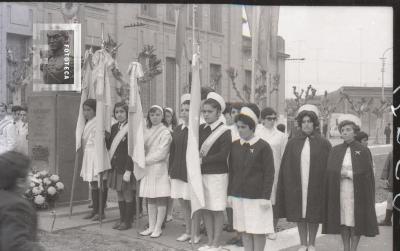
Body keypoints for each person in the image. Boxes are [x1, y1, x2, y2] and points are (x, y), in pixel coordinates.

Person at [275, 104, 332, 251]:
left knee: (313, 213)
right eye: (304, 121)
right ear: (300, 124)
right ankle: (303, 243)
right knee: (300, 213)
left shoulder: (324, 143)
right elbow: (286, 167)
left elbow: (329, 166)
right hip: (297, 184)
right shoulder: (292, 143)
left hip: (316, 184)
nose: (307, 124)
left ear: (315, 123)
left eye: (310, 121)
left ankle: (312, 243)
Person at [323, 119, 379, 251]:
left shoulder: (363, 150)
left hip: (357, 191)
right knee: (343, 220)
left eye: (348, 130)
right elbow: (330, 171)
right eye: (342, 130)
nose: (345, 132)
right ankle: (346, 248)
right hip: (341, 190)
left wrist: (348, 173)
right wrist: (337, 174)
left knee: (355, 221)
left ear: (354, 133)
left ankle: (353, 248)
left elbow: (367, 172)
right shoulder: (335, 150)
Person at [228, 106, 275, 251]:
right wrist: (230, 193)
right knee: (245, 230)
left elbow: (269, 173)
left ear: (252, 127)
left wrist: (265, 197)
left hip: (257, 197)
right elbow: (232, 171)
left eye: (243, 127)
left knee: (258, 230)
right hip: (239, 196)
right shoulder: (235, 145)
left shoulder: (263, 146)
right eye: (238, 127)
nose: (240, 130)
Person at [198, 92, 231, 251]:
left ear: (218, 113)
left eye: (209, 111)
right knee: (205, 208)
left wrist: (203, 160)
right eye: (204, 111)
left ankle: (216, 242)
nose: (206, 114)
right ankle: (210, 240)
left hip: (217, 174)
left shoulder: (225, 131)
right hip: (202, 174)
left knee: (216, 209)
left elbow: (223, 155)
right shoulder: (201, 129)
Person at [169, 94, 201, 243]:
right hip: (177, 170)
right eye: (182, 110)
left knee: (192, 203)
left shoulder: (197, 129)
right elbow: (173, 151)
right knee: (182, 202)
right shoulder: (178, 129)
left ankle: (195, 233)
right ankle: (188, 231)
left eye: (187, 110)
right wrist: (171, 170)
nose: (183, 112)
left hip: (190, 173)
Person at [0, 151, 44, 251]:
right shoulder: (15, 206)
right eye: (29, 174)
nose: (32, 177)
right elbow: (15, 245)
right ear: (20, 182)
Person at [139, 105, 172, 238]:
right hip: (147, 169)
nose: (155, 117)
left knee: (160, 198)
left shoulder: (166, 132)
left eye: (158, 114)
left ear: (162, 116)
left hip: (159, 168)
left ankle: (158, 228)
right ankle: (151, 226)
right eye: (152, 115)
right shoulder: (146, 131)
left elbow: (162, 153)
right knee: (150, 198)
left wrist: (144, 160)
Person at [256, 107, 287, 240]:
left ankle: (271, 228)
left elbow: (283, 156)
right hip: (257, 171)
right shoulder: (256, 132)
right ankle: (258, 227)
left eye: (274, 118)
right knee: (258, 199)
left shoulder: (281, 136)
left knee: (272, 200)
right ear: (262, 119)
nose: (272, 121)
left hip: (274, 171)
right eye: (269, 118)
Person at [106, 102, 136, 230]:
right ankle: (122, 218)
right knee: (119, 193)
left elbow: (133, 150)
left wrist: (129, 170)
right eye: (117, 112)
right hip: (115, 166)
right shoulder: (113, 128)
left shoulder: (131, 128)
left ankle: (128, 221)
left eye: (122, 112)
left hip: (126, 167)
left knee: (127, 194)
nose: (119, 114)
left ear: (127, 113)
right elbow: (110, 147)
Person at [80, 99, 111, 221]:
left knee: (100, 182)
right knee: (92, 183)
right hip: (89, 155)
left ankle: (101, 211)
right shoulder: (87, 123)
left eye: (89, 110)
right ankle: (94, 210)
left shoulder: (99, 122)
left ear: (95, 110)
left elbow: (105, 138)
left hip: (98, 155)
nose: (86, 112)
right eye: (84, 110)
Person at [163, 106, 177, 223]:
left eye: (168, 116)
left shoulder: (175, 129)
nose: (166, 118)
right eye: (165, 115)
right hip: (161, 160)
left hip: (170, 159)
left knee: (170, 188)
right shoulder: (159, 128)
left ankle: (169, 213)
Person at [378, 151, 393, 226]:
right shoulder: (392, 153)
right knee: (390, 199)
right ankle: (387, 220)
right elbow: (387, 166)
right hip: (393, 181)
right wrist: (385, 178)